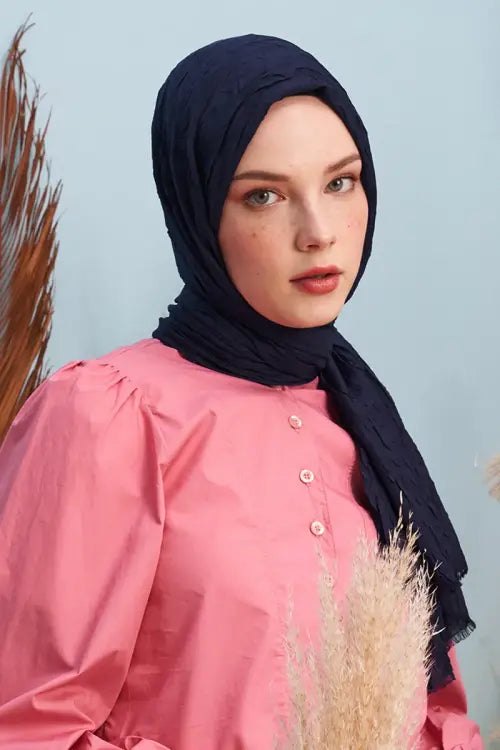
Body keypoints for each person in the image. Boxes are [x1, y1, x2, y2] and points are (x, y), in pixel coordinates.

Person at [0, 34, 483, 749]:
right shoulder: (107, 416)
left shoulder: (365, 420)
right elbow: (27, 726)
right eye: (263, 195)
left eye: (340, 183)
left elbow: (431, 716)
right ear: (198, 211)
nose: (318, 232)